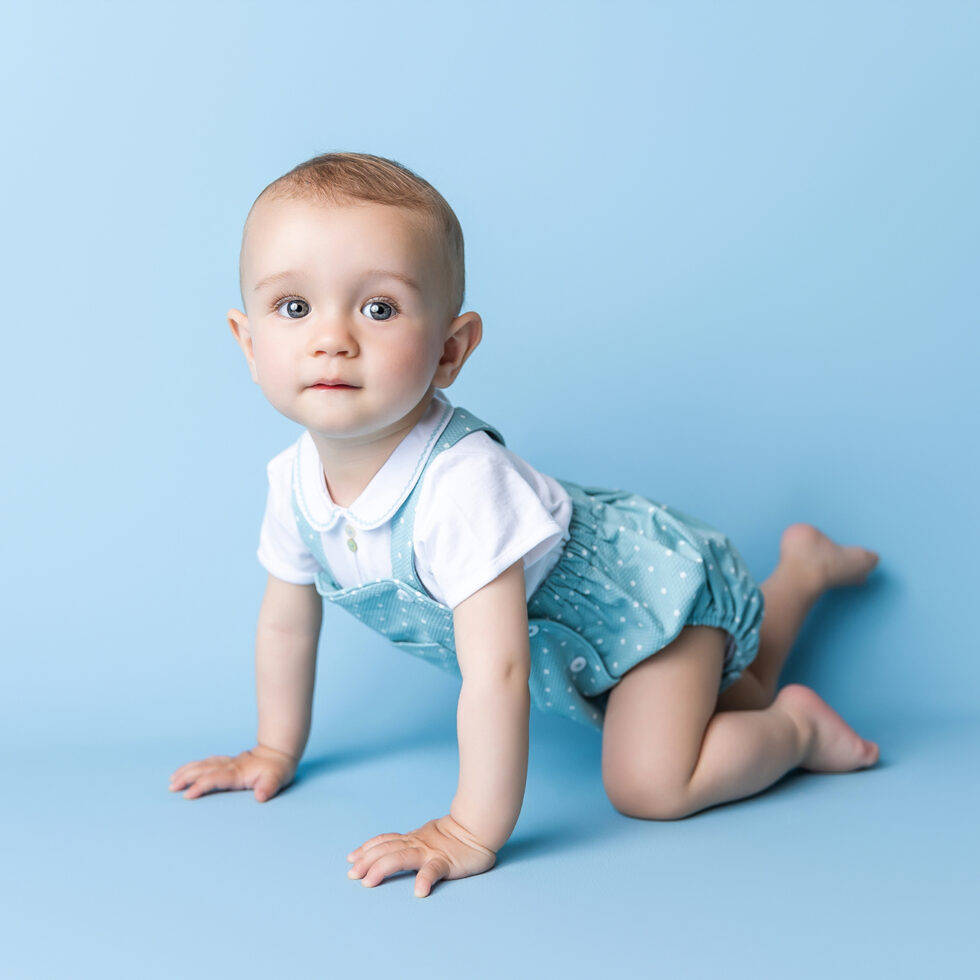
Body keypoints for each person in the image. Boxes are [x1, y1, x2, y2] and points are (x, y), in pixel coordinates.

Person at [169, 151, 881, 898]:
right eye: (293, 308)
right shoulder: (292, 482)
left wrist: (471, 827)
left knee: (656, 778)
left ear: (450, 349)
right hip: (589, 643)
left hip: (650, 610)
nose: (332, 339)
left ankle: (800, 730)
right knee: (733, 693)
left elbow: (498, 671)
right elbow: (286, 624)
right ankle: (803, 568)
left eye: (378, 309)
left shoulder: (460, 487)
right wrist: (273, 748)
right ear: (248, 343)